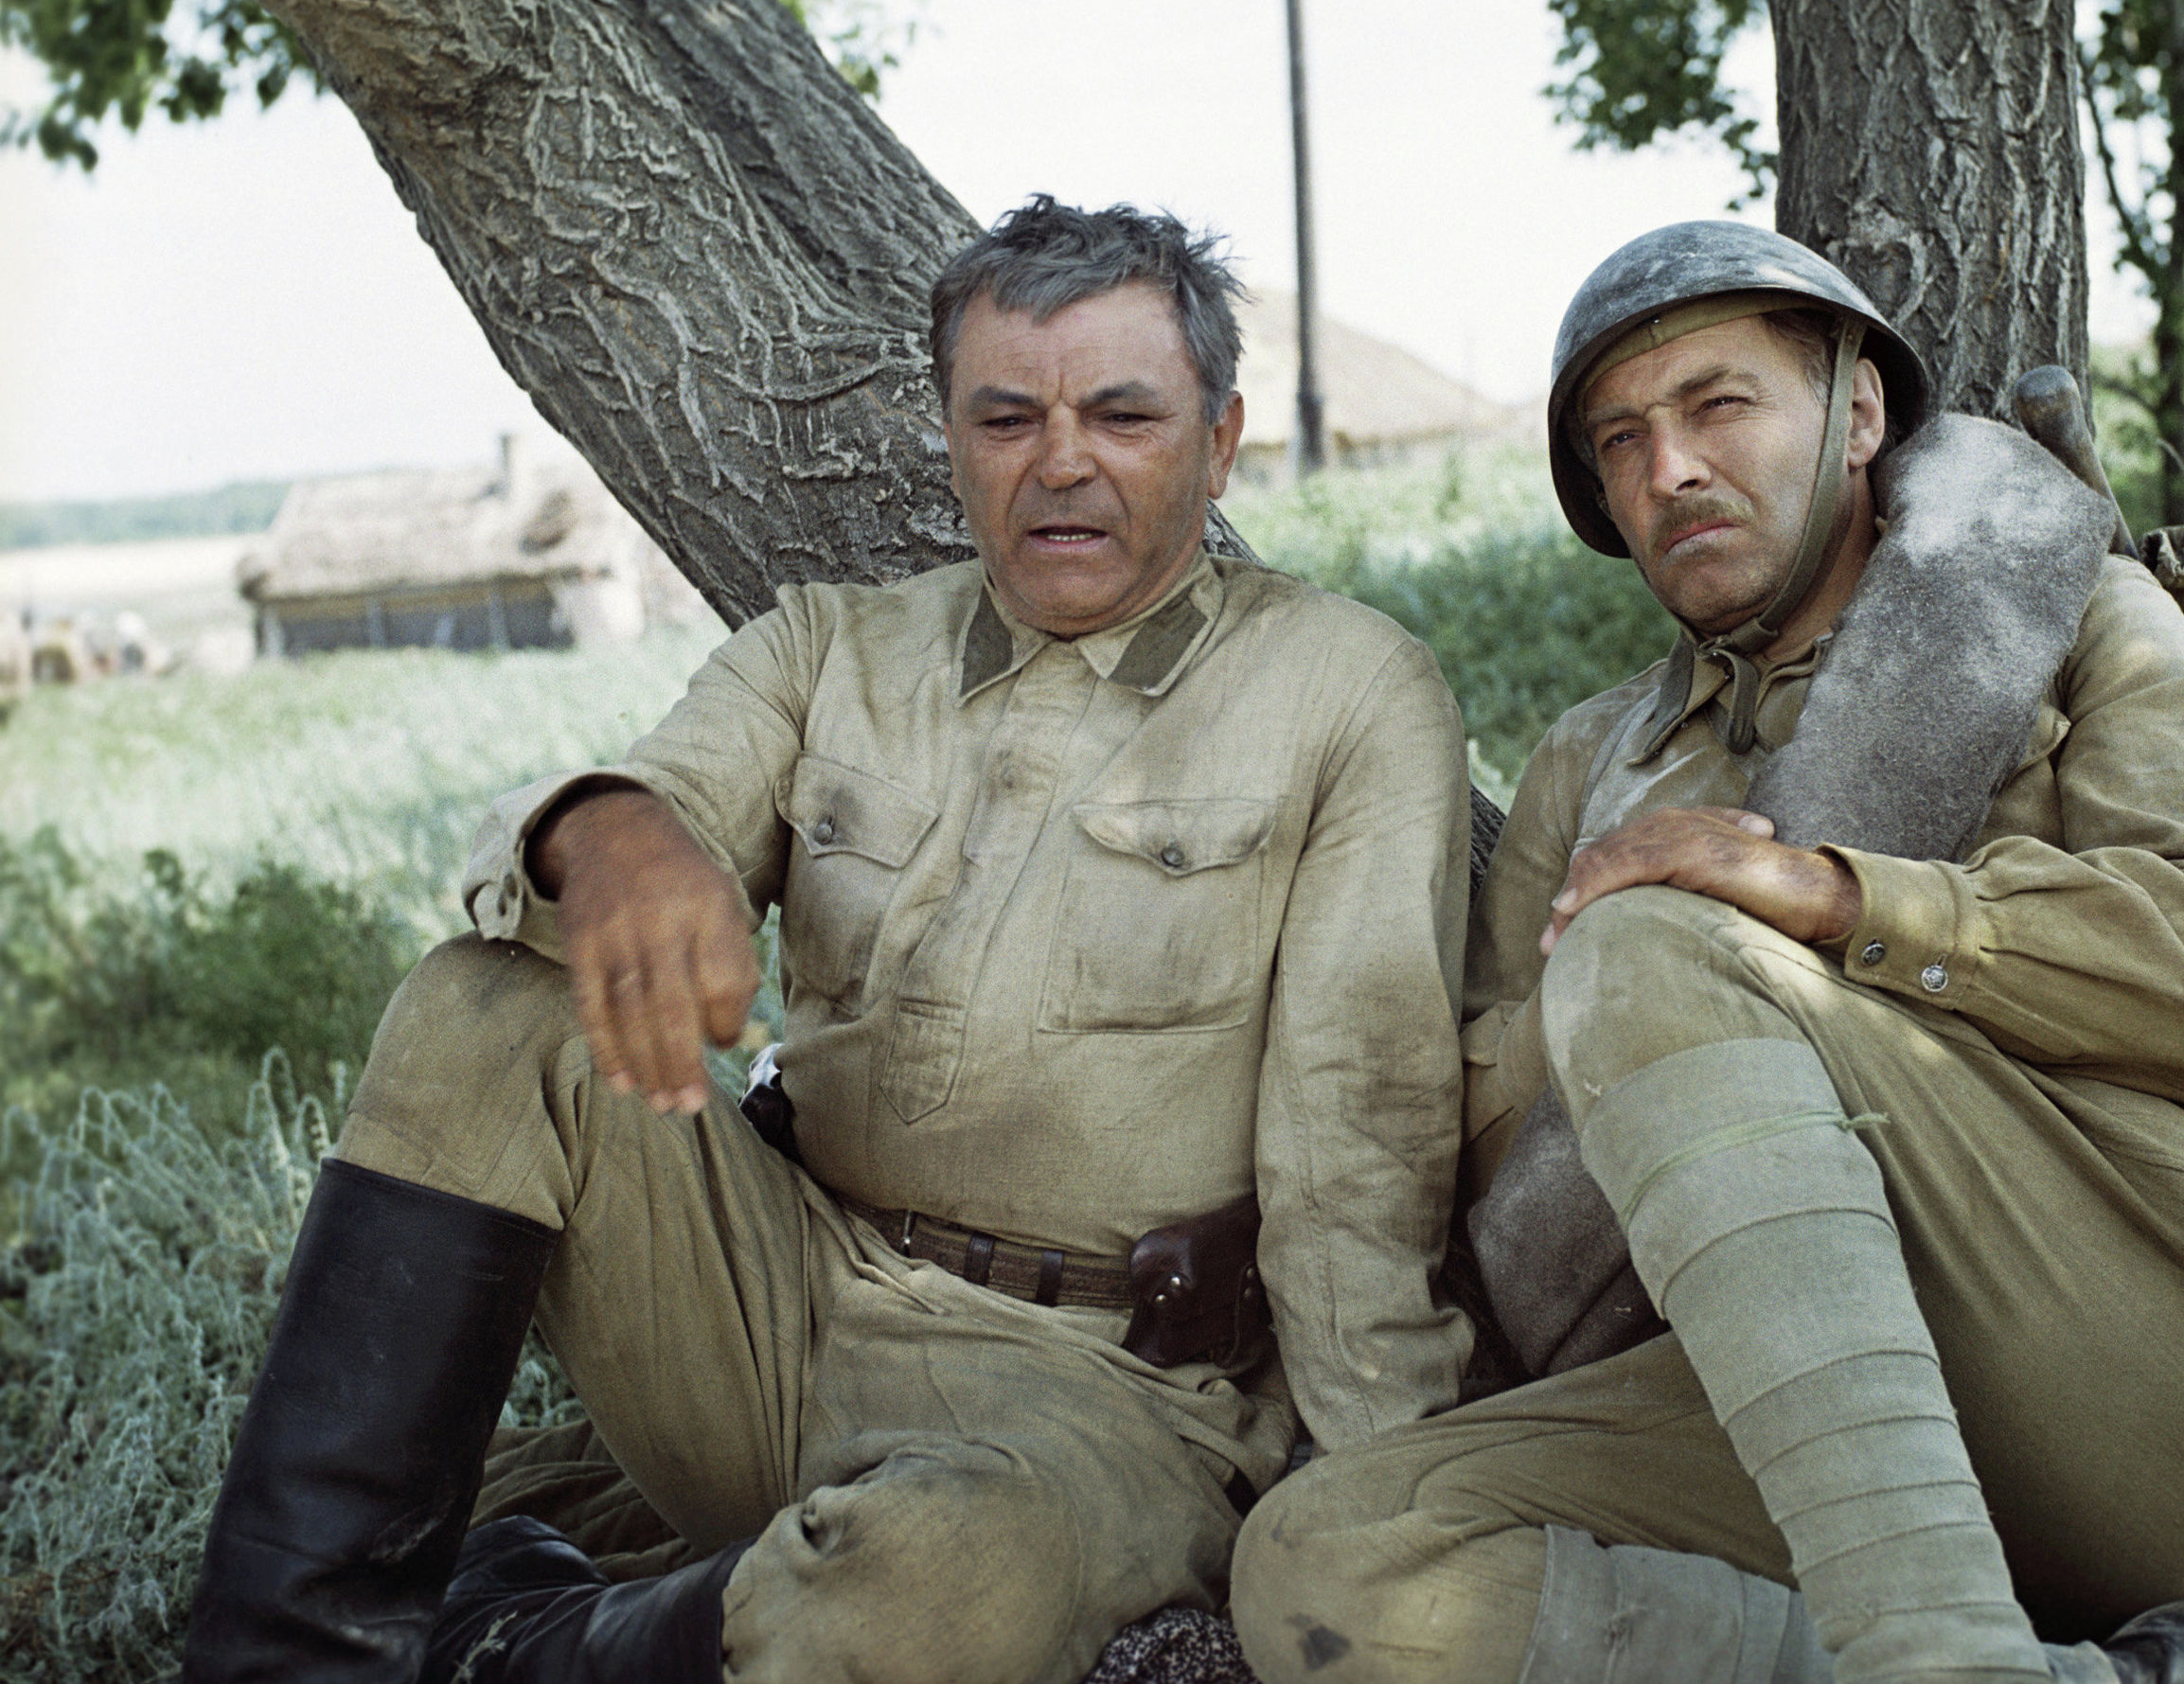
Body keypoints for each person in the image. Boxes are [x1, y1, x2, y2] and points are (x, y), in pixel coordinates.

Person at [181, 197, 1475, 1684]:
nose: (1062, 461)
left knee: (926, 1585)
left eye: (1123, 413)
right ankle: (283, 1660)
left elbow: (1358, 1144)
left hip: (1104, 1395)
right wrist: (606, 833)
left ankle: (513, 1638)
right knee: (488, 1005)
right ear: (949, 433)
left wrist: (1384, 1525)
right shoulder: (825, 648)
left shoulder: (1350, 692)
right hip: (774, 1303)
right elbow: (633, 810)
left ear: (1220, 436)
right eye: (1007, 417)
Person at [1228, 222, 2184, 1684]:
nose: (1667, 465)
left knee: (1650, 946)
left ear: (1858, 412)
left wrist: (1825, 892)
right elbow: (1512, 1179)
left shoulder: (2058, 619)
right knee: (1331, 1563)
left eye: (1717, 405)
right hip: (1793, 1394)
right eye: (1621, 438)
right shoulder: (1581, 770)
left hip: (2154, 1359)